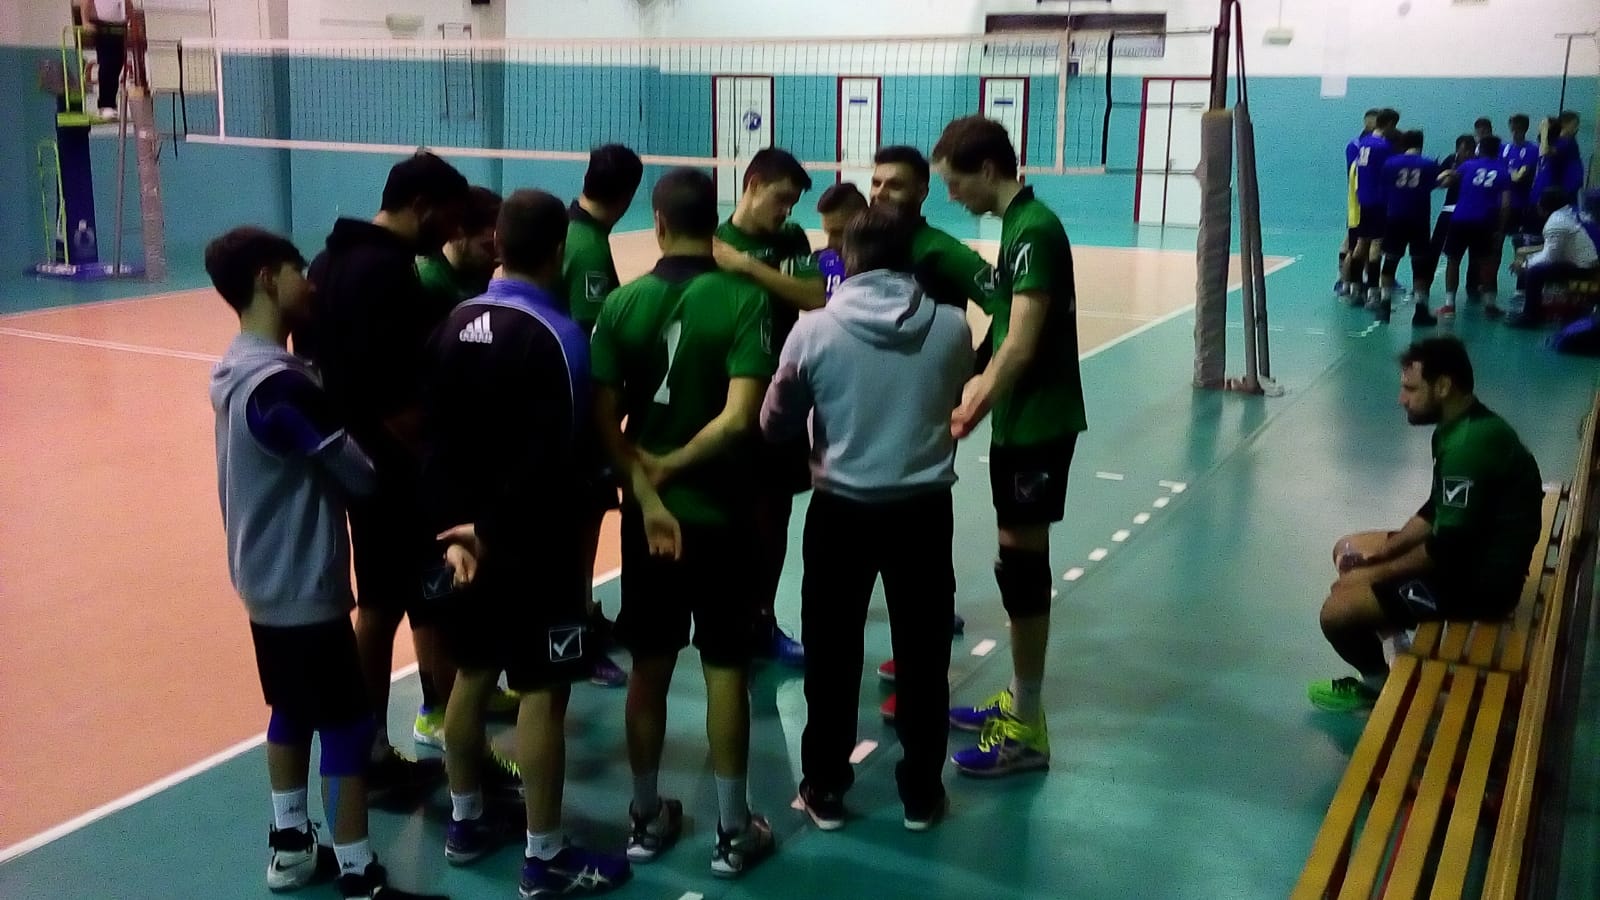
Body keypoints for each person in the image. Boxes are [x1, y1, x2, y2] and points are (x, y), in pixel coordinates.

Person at [206, 226, 446, 900]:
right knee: (345, 724)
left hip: (262, 578)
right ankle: (359, 871)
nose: (310, 283)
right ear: (266, 279)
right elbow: (360, 474)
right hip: (304, 582)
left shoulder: (235, 369)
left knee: (290, 708)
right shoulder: (283, 389)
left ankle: (290, 845)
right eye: (297, 271)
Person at [422, 189, 633, 896]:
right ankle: (545, 857)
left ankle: (466, 822)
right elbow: (556, 457)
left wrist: (456, 531)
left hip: (464, 545)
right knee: (543, 692)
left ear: (498, 244)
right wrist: (493, 528)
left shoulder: (453, 322)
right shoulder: (563, 337)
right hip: (536, 548)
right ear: (559, 252)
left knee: (472, 676)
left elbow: (435, 441)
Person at [761, 203, 973, 831]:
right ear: (910, 258)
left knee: (831, 655)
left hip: (842, 512)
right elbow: (951, 391)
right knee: (924, 655)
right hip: (924, 513)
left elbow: (775, 422)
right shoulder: (952, 327)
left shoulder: (814, 331)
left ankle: (826, 786)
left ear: (846, 260)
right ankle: (922, 793)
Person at [592, 167, 778, 876]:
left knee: (649, 666)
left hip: (650, 523)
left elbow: (603, 422)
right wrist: (675, 468)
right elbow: (739, 418)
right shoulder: (745, 299)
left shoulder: (622, 304)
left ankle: (644, 819)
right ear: (715, 223)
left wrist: (648, 486)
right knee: (726, 668)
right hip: (725, 516)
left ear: (659, 224)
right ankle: (733, 830)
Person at [295, 151, 469, 795]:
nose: (451, 232)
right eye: (447, 218)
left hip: (354, 464)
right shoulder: (388, 274)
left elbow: (314, 361)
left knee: (381, 604)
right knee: (414, 601)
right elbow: (398, 394)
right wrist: (438, 466)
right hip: (397, 472)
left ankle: (368, 745)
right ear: (421, 207)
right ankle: (435, 751)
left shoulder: (327, 262)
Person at [932, 115, 1086, 777]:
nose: (951, 195)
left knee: (1023, 569)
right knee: (1015, 563)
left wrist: (971, 406)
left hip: (1038, 423)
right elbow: (1002, 327)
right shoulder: (1020, 226)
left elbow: (1021, 342)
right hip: (1022, 422)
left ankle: (1027, 729)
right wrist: (972, 376)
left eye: (955, 182)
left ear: (988, 170)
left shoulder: (1034, 230)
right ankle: (1021, 700)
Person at [1309, 337, 1543, 712]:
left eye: (1411, 388)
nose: (1401, 399)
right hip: (1471, 554)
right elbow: (1435, 509)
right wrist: (1386, 551)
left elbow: (1446, 550)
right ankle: (1396, 638)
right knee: (1349, 549)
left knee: (1337, 612)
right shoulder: (1461, 426)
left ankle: (1380, 688)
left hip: (1485, 585)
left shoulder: (1469, 445)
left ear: (1444, 386)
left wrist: (1373, 574)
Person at [865, 143, 990, 721]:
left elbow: (1010, 298)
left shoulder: (940, 251)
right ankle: (914, 647)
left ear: (921, 191)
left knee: (919, 546)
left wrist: (977, 371)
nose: (880, 192)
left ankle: (923, 672)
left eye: (894, 184)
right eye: (875, 182)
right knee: (882, 543)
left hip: (922, 417)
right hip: (871, 413)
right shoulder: (869, 245)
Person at [713, 147, 824, 667]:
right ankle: (724, 621)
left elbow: (813, 296)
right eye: (781, 198)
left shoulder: (791, 239)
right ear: (752, 183)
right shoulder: (713, 239)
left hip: (779, 403)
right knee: (726, 519)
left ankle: (762, 619)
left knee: (773, 518)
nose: (786, 211)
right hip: (726, 401)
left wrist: (746, 267)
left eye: (792, 203)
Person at [562, 142, 646, 690]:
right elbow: (593, 341)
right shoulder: (588, 246)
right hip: (578, 418)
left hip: (564, 413)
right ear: (629, 195)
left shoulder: (573, 233)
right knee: (579, 531)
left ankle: (583, 616)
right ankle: (574, 640)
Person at [1507, 188, 1600, 328]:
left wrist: (1525, 264)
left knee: (1534, 272)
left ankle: (1531, 316)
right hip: (1588, 263)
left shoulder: (1556, 222)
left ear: (1543, 206)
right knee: (1535, 266)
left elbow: (1550, 257)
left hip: (1585, 269)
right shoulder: (1571, 213)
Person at [1439, 137, 1511, 318]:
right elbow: (1505, 205)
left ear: (1480, 149)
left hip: (1460, 219)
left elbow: (1447, 181)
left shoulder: (1467, 166)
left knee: (1453, 261)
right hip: (1484, 222)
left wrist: (1445, 173)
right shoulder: (1503, 172)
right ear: (1497, 151)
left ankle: (1449, 305)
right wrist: (1500, 230)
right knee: (1486, 263)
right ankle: (1490, 306)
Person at [1377, 130, 1440, 326]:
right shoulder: (1429, 164)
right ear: (1421, 144)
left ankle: (1384, 305)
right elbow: (1434, 184)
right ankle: (1420, 311)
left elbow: (1385, 187)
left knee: (1390, 261)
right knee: (1419, 264)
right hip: (1419, 219)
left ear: (1403, 144)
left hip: (1394, 217)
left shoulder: (1390, 163)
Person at [416, 185, 501, 315]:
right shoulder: (429, 283)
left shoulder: (479, 273)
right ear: (458, 234)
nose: (496, 255)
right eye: (488, 246)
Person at [1346, 109, 1399, 306]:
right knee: (1376, 245)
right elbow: (1392, 172)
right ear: (1389, 124)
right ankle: (1373, 293)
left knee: (1361, 243)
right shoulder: (1385, 146)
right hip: (1379, 200)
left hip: (1363, 199)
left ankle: (1355, 290)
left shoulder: (1363, 143)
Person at [74, 1, 126, 119]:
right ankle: (105, 105)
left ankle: (111, 104)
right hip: (102, 27)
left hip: (118, 28)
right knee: (107, 64)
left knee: (117, 65)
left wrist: (131, 19)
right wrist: (85, 21)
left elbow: (126, 3)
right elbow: (85, 1)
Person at [815, 182, 867, 299]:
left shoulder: (886, 268)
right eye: (828, 233)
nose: (830, 243)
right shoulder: (820, 261)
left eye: (839, 233)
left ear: (864, 223)